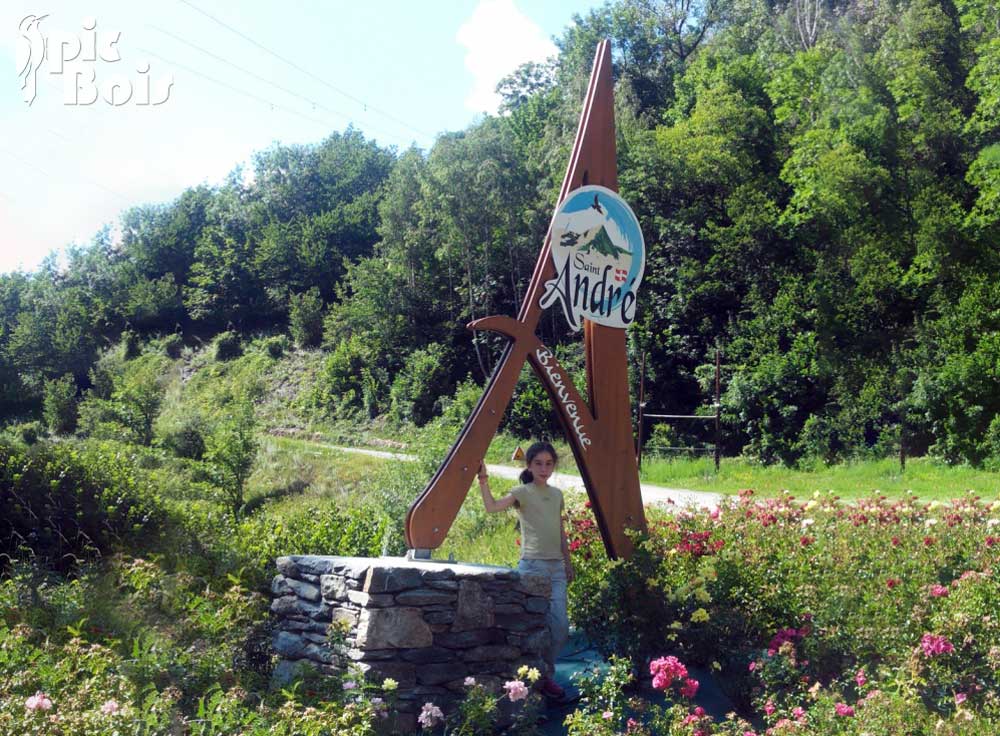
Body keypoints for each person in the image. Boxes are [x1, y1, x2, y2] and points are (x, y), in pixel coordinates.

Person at [478, 441, 573, 699]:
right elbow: (492, 507)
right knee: (532, 629)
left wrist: (568, 561)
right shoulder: (522, 491)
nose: (544, 468)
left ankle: (545, 676)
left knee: (561, 627)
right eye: (538, 463)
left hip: (556, 570)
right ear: (529, 466)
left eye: (549, 463)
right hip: (532, 567)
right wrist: (483, 478)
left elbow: (561, 531)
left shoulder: (556, 495)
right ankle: (530, 679)